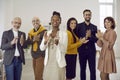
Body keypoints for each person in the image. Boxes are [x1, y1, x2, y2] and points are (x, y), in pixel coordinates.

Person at [40, 11, 67, 80]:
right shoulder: (47, 33)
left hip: (58, 63)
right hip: (48, 62)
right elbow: (42, 48)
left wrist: (58, 44)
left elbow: (64, 50)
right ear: (51, 21)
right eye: (53, 20)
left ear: (60, 21)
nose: (55, 21)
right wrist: (45, 42)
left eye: (57, 20)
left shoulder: (64, 34)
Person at [75, 9, 98, 80]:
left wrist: (90, 36)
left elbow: (96, 40)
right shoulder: (78, 26)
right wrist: (82, 40)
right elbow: (76, 38)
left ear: (91, 15)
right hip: (82, 51)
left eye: (89, 14)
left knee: (92, 70)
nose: (87, 16)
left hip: (91, 51)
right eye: (86, 15)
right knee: (82, 69)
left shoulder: (94, 27)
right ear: (83, 16)